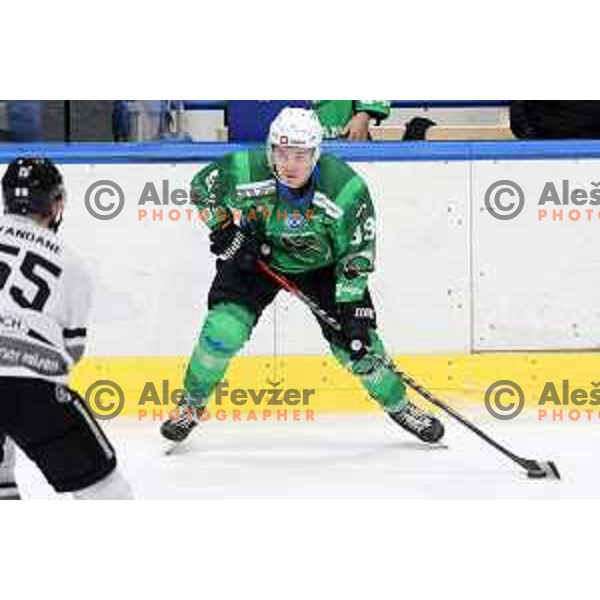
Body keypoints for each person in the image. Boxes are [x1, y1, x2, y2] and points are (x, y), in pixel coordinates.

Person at [160, 107, 444, 445]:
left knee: (359, 347)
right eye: (282, 153)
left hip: (324, 268)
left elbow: (357, 252)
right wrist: (225, 232)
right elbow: (202, 189)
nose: (290, 164)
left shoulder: (345, 189)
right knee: (222, 331)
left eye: (301, 155)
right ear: (270, 150)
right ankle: (191, 404)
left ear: (316, 154)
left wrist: (352, 308)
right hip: (258, 256)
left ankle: (400, 405)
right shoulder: (246, 169)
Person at [0, 157, 133, 500]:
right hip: (32, 388)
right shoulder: (69, 261)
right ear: (57, 204)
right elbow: (72, 351)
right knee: (106, 490)